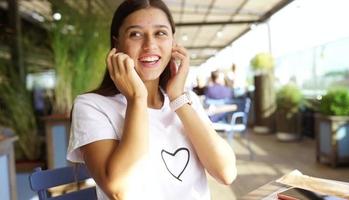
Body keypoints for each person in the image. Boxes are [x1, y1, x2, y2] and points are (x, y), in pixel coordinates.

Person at [67, 0, 237, 199]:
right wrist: (137, 99)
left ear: (173, 42)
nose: (150, 45)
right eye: (135, 34)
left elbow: (226, 173)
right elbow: (119, 189)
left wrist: (177, 98)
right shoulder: (91, 105)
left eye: (160, 33)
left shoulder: (185, 100)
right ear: (117, 44)